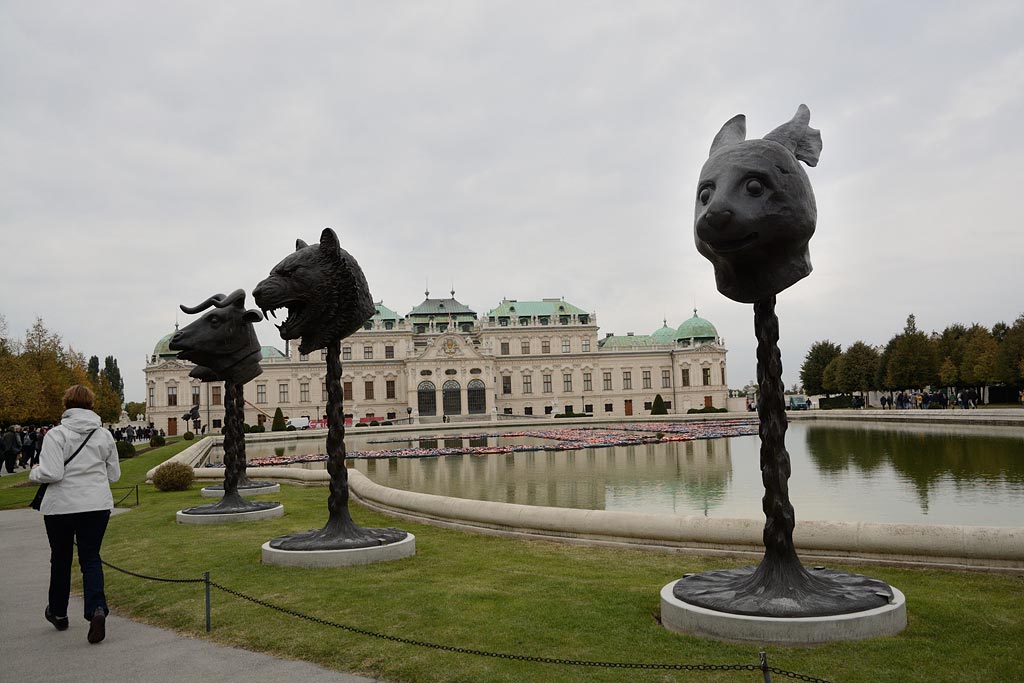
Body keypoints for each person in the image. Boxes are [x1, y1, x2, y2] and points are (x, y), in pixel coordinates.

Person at [30, 385, 121, 644]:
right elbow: (114, 475)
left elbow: (52, 473)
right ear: (91, 405)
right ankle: (97, 610)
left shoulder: (56, 435)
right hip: (96, 505)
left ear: (66, 404)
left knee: (60, 559)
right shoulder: (104, 435)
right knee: (90, 558)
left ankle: (58, 612)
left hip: (61, 506)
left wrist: (34, 471)